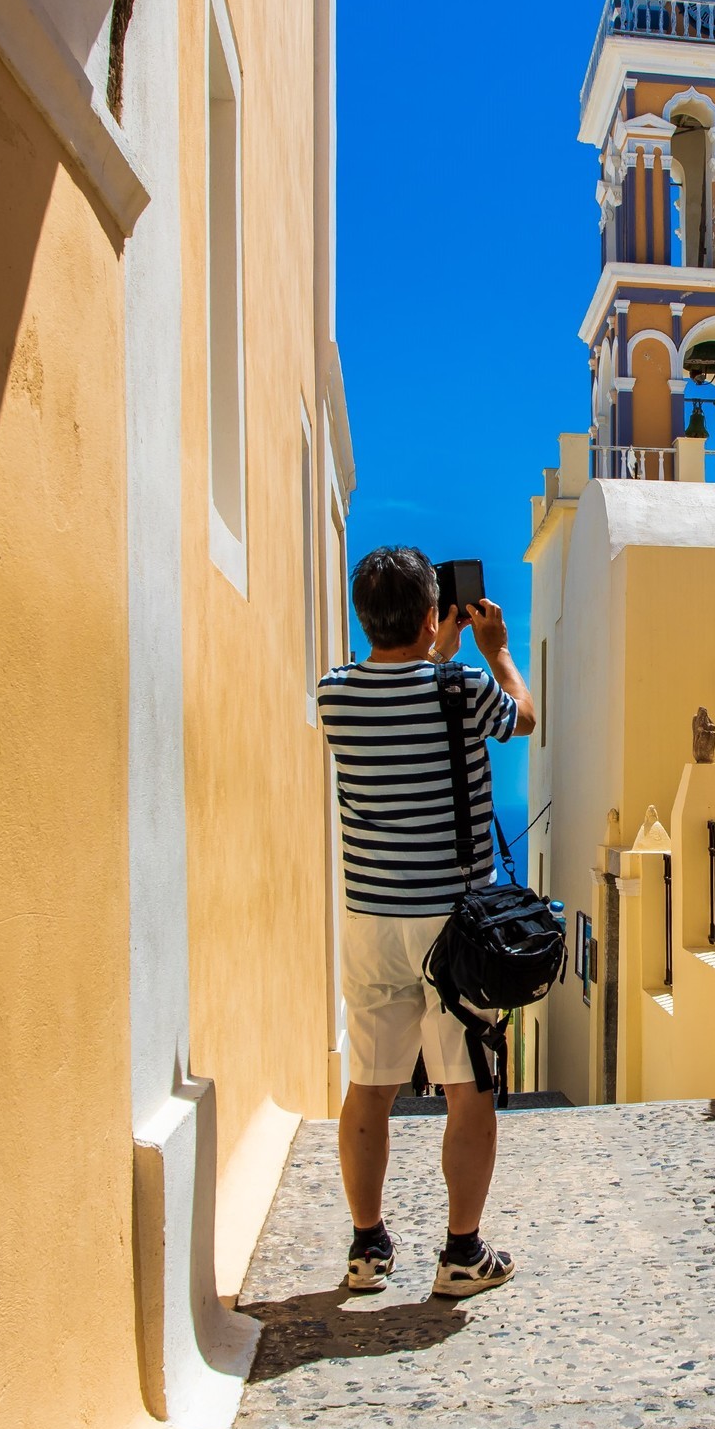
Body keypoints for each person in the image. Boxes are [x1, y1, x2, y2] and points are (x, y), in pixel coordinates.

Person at [317, 545, 535, 1299]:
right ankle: (462, 1253)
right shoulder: (468, 686)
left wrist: (432, 643)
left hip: (373, 918)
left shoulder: (334, 696)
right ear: (431, 611)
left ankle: (367, 1249)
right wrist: (498, 651)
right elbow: (525, 718)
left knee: (369, 1084)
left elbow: (401, 677)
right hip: (457, 928)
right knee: (467, 1087)